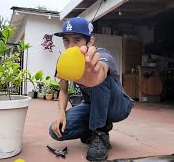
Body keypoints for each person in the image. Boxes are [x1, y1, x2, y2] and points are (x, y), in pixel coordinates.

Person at [49, 17, 135, 161]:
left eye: (76, 40)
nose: (70, 46)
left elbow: (102, 71)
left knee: (97, 77)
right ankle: (96, 126)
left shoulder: (102, 56)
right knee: (56, 131)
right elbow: (63, 90)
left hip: (118, 107)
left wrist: (96, 77)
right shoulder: (64, 60)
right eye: (66, 40)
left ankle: (100, 133)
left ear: (90, 42)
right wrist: (60, 113)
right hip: (92, 106)